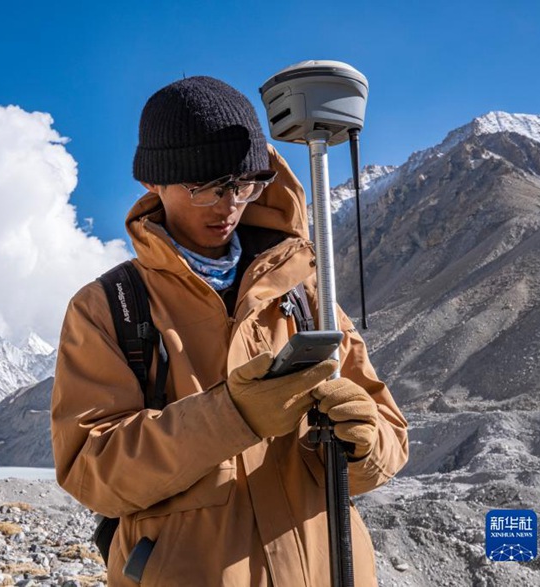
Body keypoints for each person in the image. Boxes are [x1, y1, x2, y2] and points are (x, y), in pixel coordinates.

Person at [51, 75, 408, 586]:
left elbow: (390, 436)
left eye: (245, 185)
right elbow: (94, 470)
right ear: (155, 184)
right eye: (206, 188)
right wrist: (232, 416)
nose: (230, 204)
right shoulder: (108, 308)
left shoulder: (305, 289)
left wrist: (362, 443)